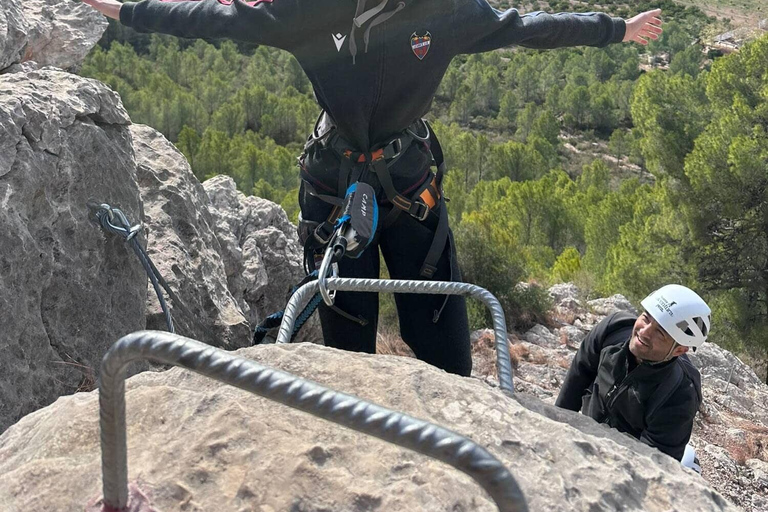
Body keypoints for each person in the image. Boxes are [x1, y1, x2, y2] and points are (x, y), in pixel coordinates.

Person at [81, 0, 663, 377]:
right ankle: (354, 409)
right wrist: (123, 9)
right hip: (337, 183)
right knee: (346, 325)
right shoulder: (307, 10)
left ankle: (453, 414)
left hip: (404, 180)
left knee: (436, 321)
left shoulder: (447, 11)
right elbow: (209, 17)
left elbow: (526, 27)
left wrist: (617, 29)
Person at [555, 284, 711, 461]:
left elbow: (653, 464)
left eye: (660, 332)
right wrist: (556, 432)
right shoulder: (613, 330)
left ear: (679, 350)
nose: (644, 332)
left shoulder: (679, 395)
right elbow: (577, 378)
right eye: (646, 318)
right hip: (585, 431)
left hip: (623, 460)